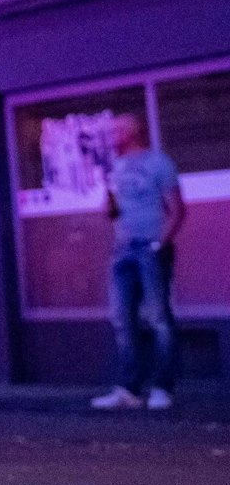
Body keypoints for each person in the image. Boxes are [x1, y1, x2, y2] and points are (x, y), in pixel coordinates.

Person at [91, 112, 185, 411]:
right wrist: (108, 197)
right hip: (123, 249)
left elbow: (178, 209)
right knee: (122, 319)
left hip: (150, 247)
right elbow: (111, 213)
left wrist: (160, 243)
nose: (112, 135)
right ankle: (129, 389)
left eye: (117, 130)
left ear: (133, 131)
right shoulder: (114, 167)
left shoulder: (158, 163)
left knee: (158, 318)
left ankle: (162, 388)